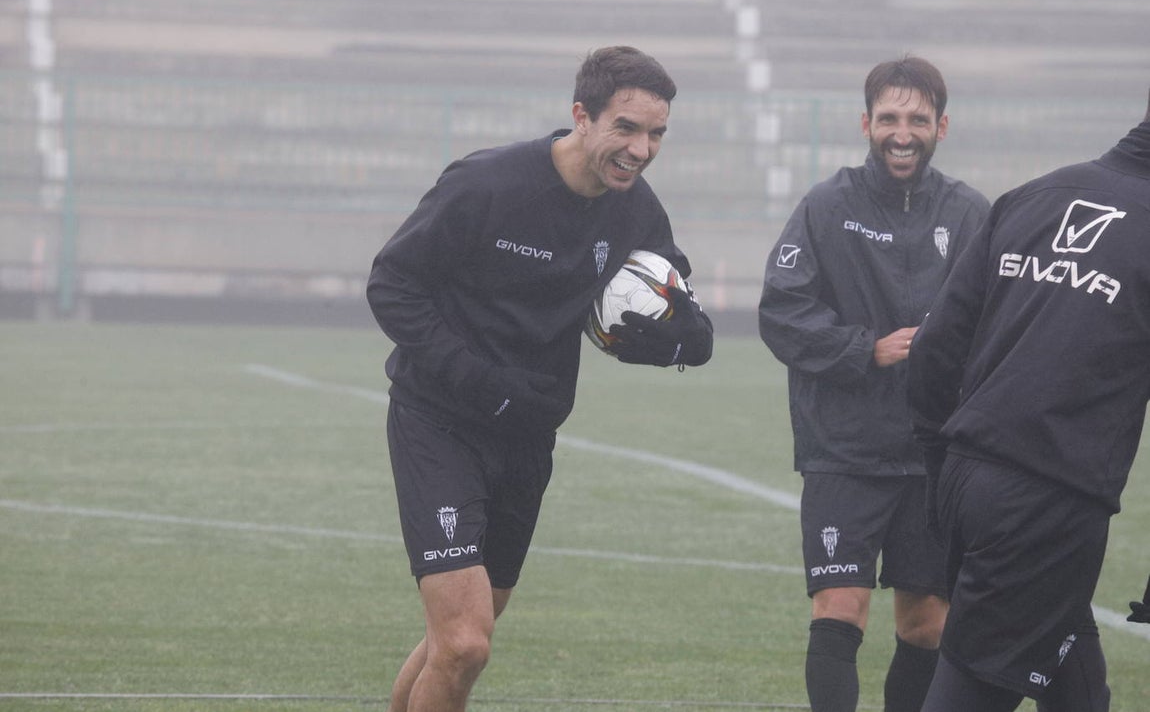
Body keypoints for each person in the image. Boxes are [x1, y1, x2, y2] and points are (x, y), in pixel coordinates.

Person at [366, 45, 713, 712]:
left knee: (462, 636)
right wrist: (481, 382)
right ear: (582, 116)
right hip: (439, 422)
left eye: (656, 134)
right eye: (626, 128)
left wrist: (689, 341)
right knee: (464, 642)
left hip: (529, 435)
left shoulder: (636, 209)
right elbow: (392, 285)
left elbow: (674, 294)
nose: (641, 150)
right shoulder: (487, 184)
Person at [758, 56, 991, 712]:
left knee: (927, 623)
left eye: (918, 119)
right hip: (845, 451)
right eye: (889, 117)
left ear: (941, 126)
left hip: (934, 455)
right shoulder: (826, 206)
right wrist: (867, 349)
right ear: (866, 124)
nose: (902, 133)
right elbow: (781, 311)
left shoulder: (970, 213)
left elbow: (997, 321)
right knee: (840, 607)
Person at [907, 89, 1150, 711]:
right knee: (972, 691)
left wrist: (941, 468)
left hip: (970, 479)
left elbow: (934, 348)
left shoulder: (1036, 195)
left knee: (1074, 678)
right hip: (1047, 507)